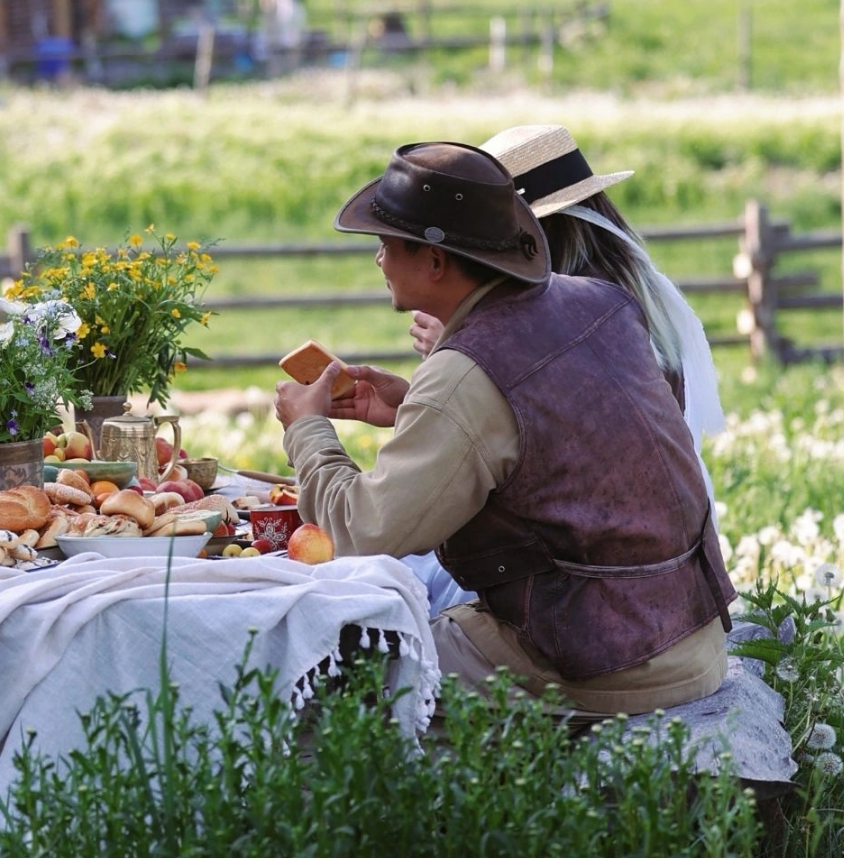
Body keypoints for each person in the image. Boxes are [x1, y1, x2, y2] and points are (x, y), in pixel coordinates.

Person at [274, 142, 734, 725]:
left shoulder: (464, 372)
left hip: (597, 663)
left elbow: (364, 532)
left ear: (436, 262)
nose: (379, 261)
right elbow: (541, 428)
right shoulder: (599, 301)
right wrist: (413, 401)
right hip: (689, 640)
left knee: (321, 674)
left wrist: (308, 429)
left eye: (386, 245)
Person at [408, 123, 725, 458]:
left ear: (538, 229)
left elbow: (559, 428)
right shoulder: (624, 283)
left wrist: (464, 351)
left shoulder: (589, 304)